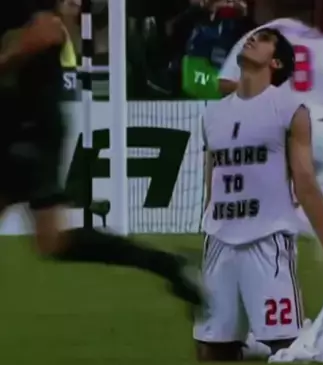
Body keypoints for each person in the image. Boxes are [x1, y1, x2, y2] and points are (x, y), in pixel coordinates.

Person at [0, 1, 203, 308]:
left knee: (52, 239)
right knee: (51, 240)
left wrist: (7, 59)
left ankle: (168, 264)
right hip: (14, 120)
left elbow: (48, 32)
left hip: (31, 125)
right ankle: (169, 265)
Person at [194, 27, 323, 362]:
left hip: (267, 239)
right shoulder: (213, 114)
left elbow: (305, 185)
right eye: (252, 36)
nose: (252, 38)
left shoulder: (290, 109)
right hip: (220, 241)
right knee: (211, 351)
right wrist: (206, 230)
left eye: (265, 39)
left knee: (288, 349)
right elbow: (213, 183)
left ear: (277, 62)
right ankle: (251, 342)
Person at [217, 0, 323, 246]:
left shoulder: (259, 38)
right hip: (321, 129)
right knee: (297, 193)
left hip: (281, 126)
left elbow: (224, 84)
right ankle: (317, 226)